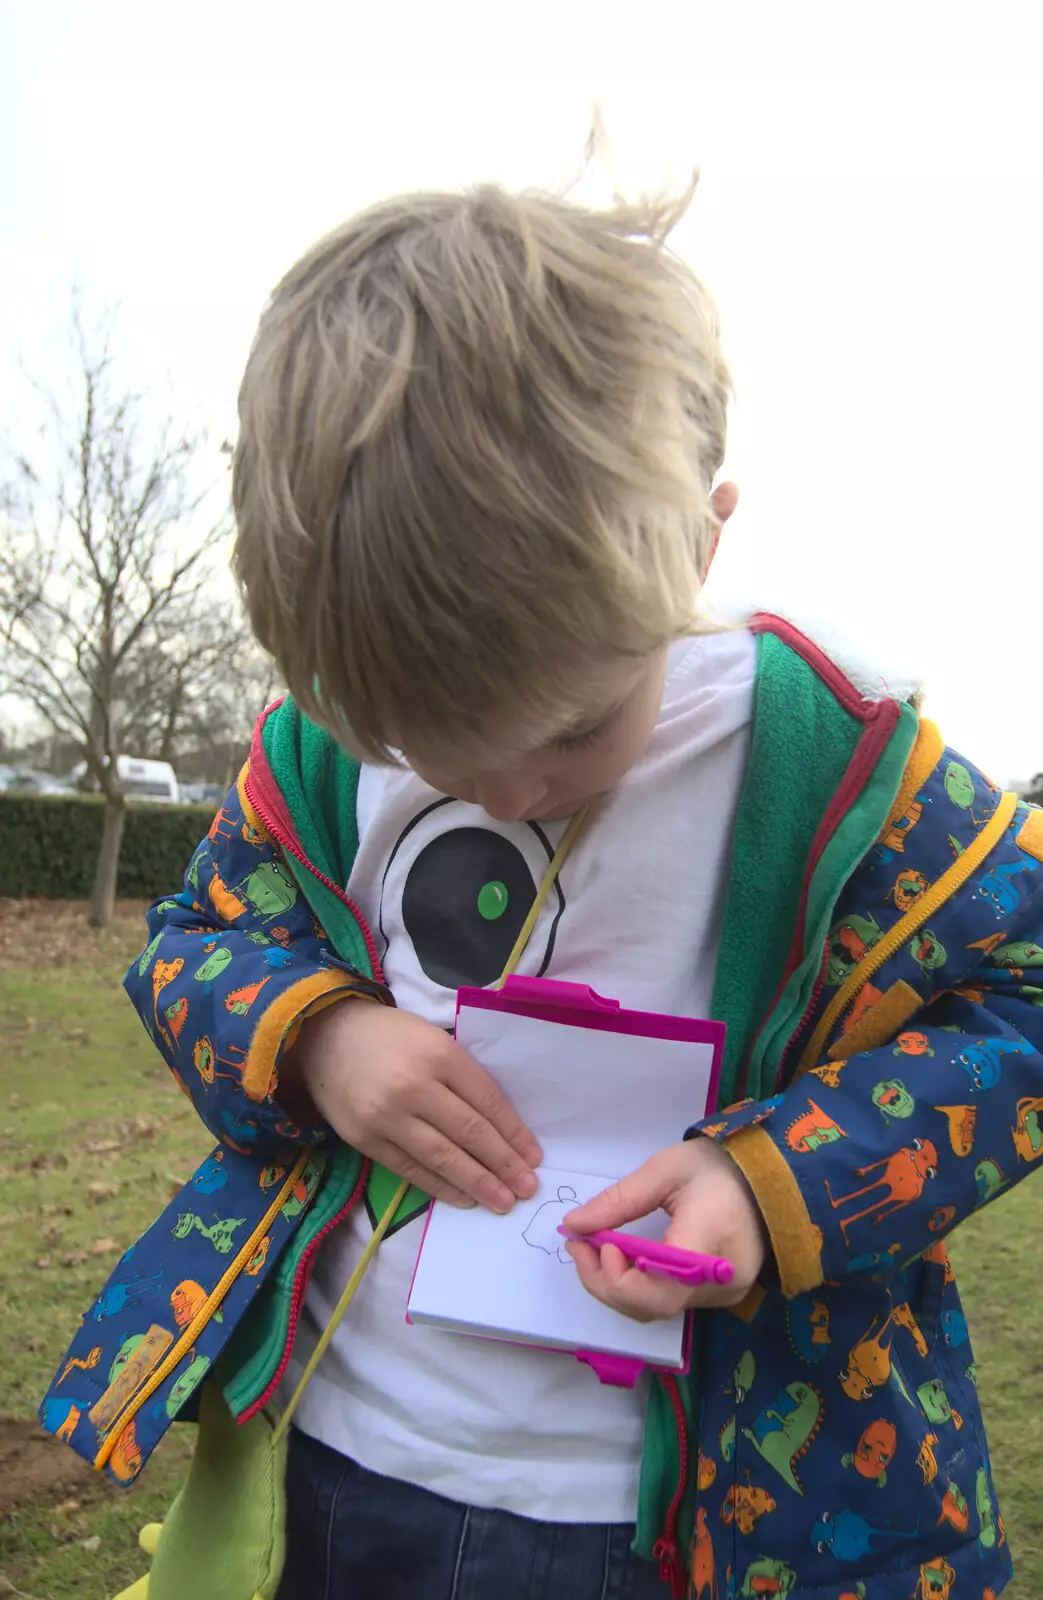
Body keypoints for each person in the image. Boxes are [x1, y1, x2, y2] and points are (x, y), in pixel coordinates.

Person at [40, 180, 1043, 1600]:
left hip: (707, 1526)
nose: (510, 794)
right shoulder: (322, 748)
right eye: (430, 751)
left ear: (701, 541)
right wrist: (322, 1035)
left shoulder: (843, 774)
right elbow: (202, 932)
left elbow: (1026, 993)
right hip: (344, 1453)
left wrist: (766, 1182)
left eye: (573, 733)